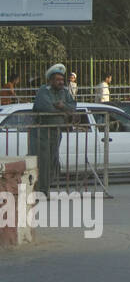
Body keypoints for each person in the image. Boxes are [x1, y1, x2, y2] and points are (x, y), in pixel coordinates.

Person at [32, 64, 78, 196]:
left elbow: (73, 107)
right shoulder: (43, 91)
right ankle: (40, 190)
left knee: (53, 161)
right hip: (42, 133)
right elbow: (46, 108)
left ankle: (46, 188)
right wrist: (64, 111)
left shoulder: (64, 91)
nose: (61, 82)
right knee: (42, 161)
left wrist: (63, 107)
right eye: (57, 79)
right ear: (51, 80)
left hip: (56, 132)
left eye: (62, 80)